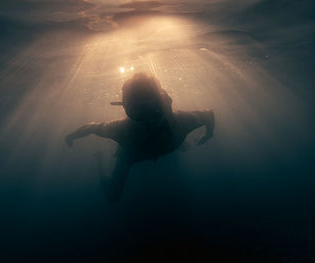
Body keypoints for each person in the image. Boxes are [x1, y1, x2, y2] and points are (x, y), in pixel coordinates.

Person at [65, 73, 214, 202]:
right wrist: (208, 134)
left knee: (113, 196)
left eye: (152, 108)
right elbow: (208, 114)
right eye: (139, 110)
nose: (147, 118)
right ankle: (99, 160)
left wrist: (71, 136)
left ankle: (180, 145)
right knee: (112, 196)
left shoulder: (120, 130)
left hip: (138, 149)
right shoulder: (183, 121)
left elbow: (91, 127)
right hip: (132, 154)